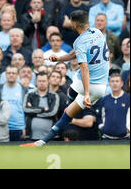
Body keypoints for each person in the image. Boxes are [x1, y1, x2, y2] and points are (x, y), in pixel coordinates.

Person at [21, 10, 110, 147]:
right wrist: (58, 58)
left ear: (74, 24)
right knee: (67, 115)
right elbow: (72, 55)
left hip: (89, 85)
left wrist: (86, 93)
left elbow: (84, 67)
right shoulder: (97, 32)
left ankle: (69, 101)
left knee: (74, 76)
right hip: (101, 87)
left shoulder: (79, 42)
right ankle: (42, 142)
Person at [23, 72, 60, 141]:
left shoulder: (54, 96)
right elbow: (25, 109)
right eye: (39, 81)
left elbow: (52, 112)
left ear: (48, 82)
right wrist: (43, 109)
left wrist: (33, 113)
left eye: (44, 81)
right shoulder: (29, 95)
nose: (41, 83)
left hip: (50, 137)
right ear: (36, 82)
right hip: (31, 136)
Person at [96, 73, 130, 140]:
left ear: (122, 83)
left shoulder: (128, 98)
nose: (115, 83)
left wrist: (128, 128)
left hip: (125, 138)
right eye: (112, 81)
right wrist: (102, 127)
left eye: (117, 81)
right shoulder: (104, 99)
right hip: (107, 138)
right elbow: (99, 116)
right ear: (109, 84)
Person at [0, 65, 26, 141]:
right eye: (9, 73)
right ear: (5, 74)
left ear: (17, 75)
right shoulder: (0, 88)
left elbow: (25, 110)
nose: (11, 75)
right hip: (3, 126)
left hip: (19, 127)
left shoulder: (23, 89)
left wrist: (24, 127)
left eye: (13, 73)